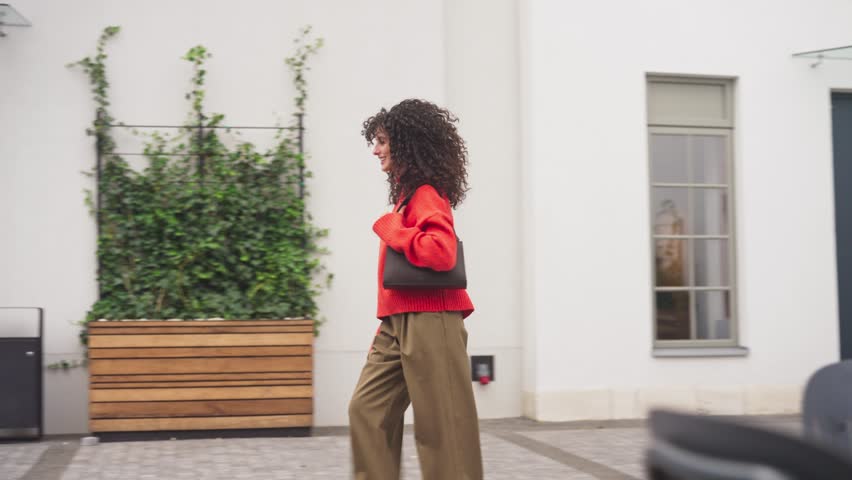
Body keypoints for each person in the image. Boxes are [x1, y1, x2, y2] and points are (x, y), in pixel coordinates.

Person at [348, 99, 483, 480]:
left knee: (443, 427)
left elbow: (441, 251)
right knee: (367, 410)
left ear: (406, 144)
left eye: (382, 141)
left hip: (432, 319)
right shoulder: (407, 196)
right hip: (401, 321)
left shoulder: (426, 193)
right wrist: (388, 324)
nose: (376, 150)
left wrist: (395, 232)